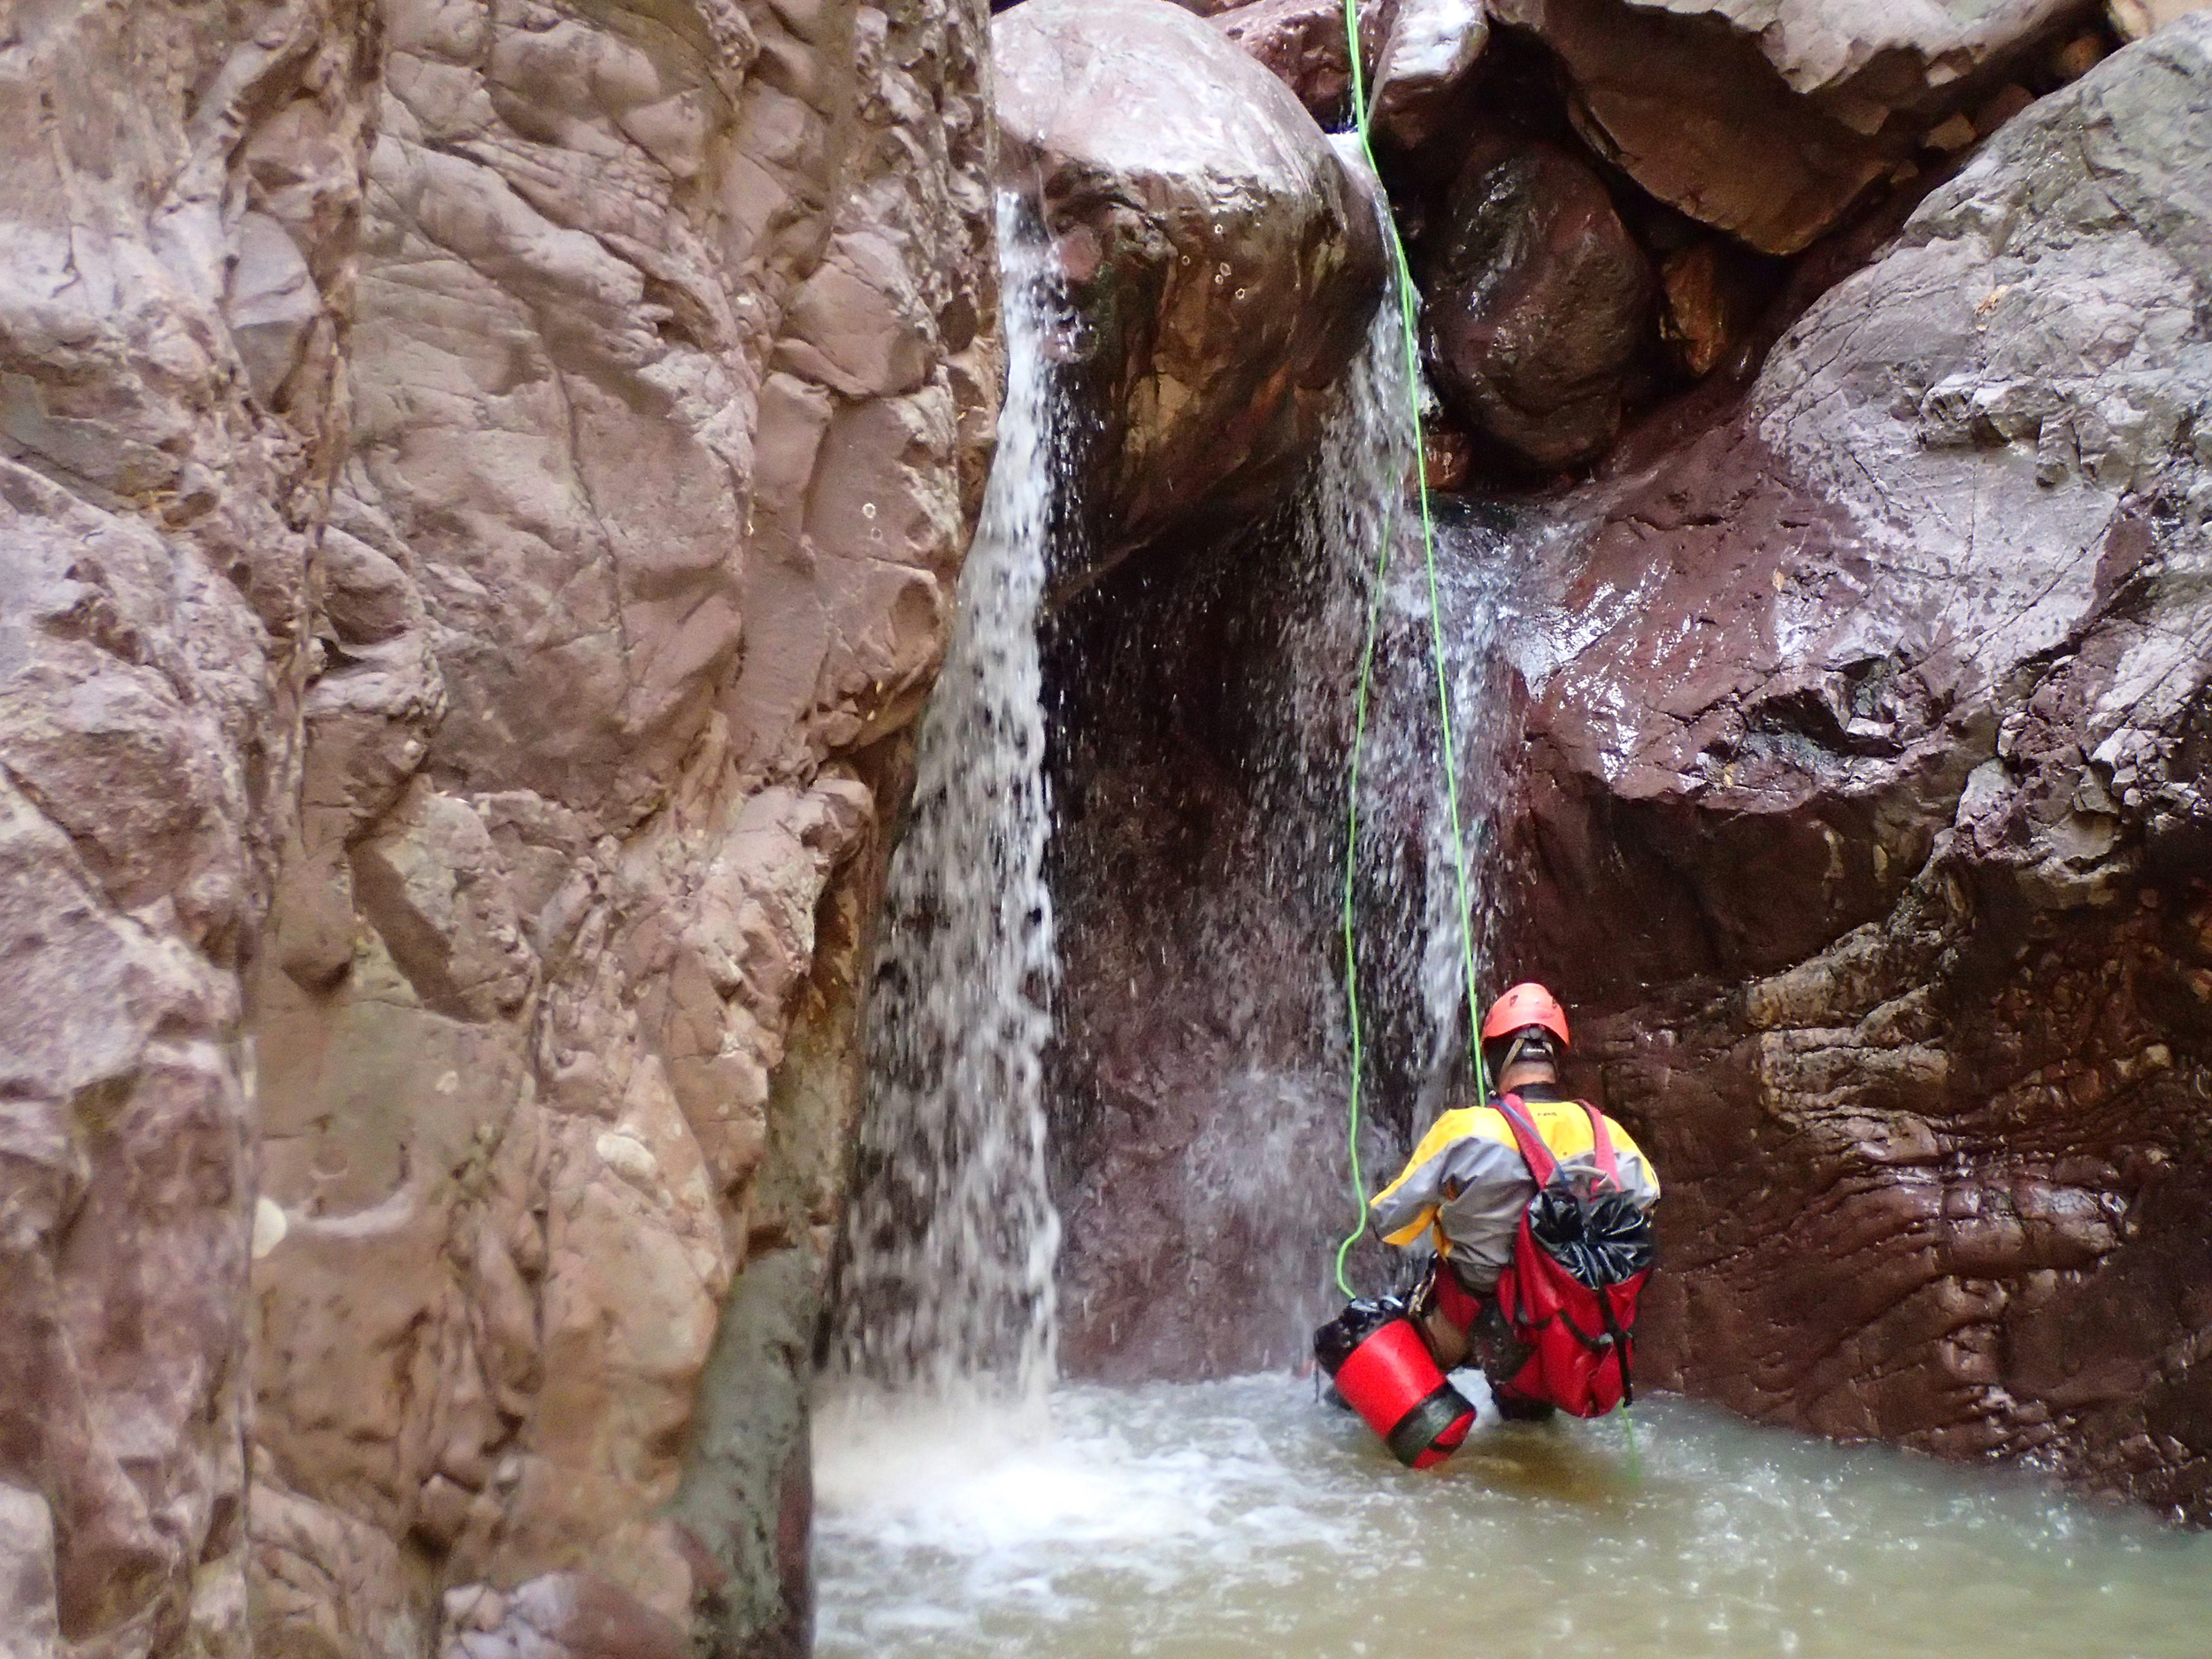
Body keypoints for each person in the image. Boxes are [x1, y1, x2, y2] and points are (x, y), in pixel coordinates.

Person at [1367, 981, 1660, 1419]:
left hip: (1466, 1318)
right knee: (1527, 1426)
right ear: (1554, 1059)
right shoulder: (1610, 1137)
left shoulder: (1467, 1130)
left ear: (1494, 1057)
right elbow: (1643, 1209)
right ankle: (1525, 1413)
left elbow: (1388, 1221)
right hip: (1554, 1331)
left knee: (1355, 1337)